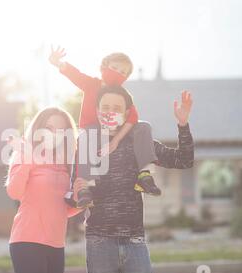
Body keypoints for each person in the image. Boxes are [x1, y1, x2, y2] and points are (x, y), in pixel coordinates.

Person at [72, 86, 195, 273]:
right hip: (98, 242)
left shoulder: (139, 140)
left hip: (134, 241)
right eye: (106, 107)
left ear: (127, 113)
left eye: (117, 108)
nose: (110, 111)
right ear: (98, 110)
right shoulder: (85, 143)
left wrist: (183, 124)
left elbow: (184, 160)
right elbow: (69, 188)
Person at [49, 47, 161, 209]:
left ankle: (144, 175)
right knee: (88, 134)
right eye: (114, 68)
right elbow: (75, 74)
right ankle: (85, 188)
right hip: (92, 130)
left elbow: (132, 118)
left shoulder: (123, 94)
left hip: (115, 130)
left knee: (144, 127)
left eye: (122, 72)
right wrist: (58, 62)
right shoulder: (92, 84)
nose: (117, 73)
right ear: (104, 66)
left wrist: (116, 140)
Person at [5, 107, 83, 273]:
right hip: (27, 241)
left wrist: (80, 200)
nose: (54, 134)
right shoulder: (24, 153)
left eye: (60, 130)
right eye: (49, 128)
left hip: (56, 244)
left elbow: (62, 209)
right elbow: (14, 192)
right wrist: (29, 158)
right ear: (39, 128)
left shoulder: (66, 163)